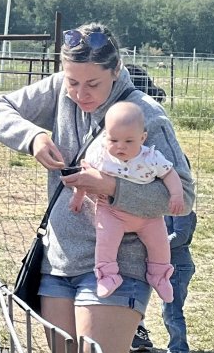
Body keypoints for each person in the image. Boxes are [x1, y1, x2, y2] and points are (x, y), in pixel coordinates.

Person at [0, 23, 195, 353]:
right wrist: (33, 136)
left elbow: (183, 198)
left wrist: (111, 187)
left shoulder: (146, 116)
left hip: (119, 265)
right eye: (72, 82)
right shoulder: (61, 90)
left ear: (116, 71)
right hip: (59, 264)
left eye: (93, 84)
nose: (80, 93)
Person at [69, 100, 185, 303]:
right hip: (111, 211)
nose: (120, 146)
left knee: (160, 243)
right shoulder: (100, 156)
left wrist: (176, 195)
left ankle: (159, 276)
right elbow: (85, 178)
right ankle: (107, 276)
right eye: (114, 140)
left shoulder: (151, 157)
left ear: (143, 138)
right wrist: (78, 196)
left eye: (129, 141)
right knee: (105, 242)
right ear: (105, 137)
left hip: (147, 214)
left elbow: (170, 174)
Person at [152, 210, 197, 353]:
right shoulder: (171, 206)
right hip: (172, 265)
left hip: (177, 266)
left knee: (172, 311)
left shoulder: (181, 208)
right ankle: (173, 350)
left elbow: (180, 236)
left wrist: (154, 245)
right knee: (169, 311)